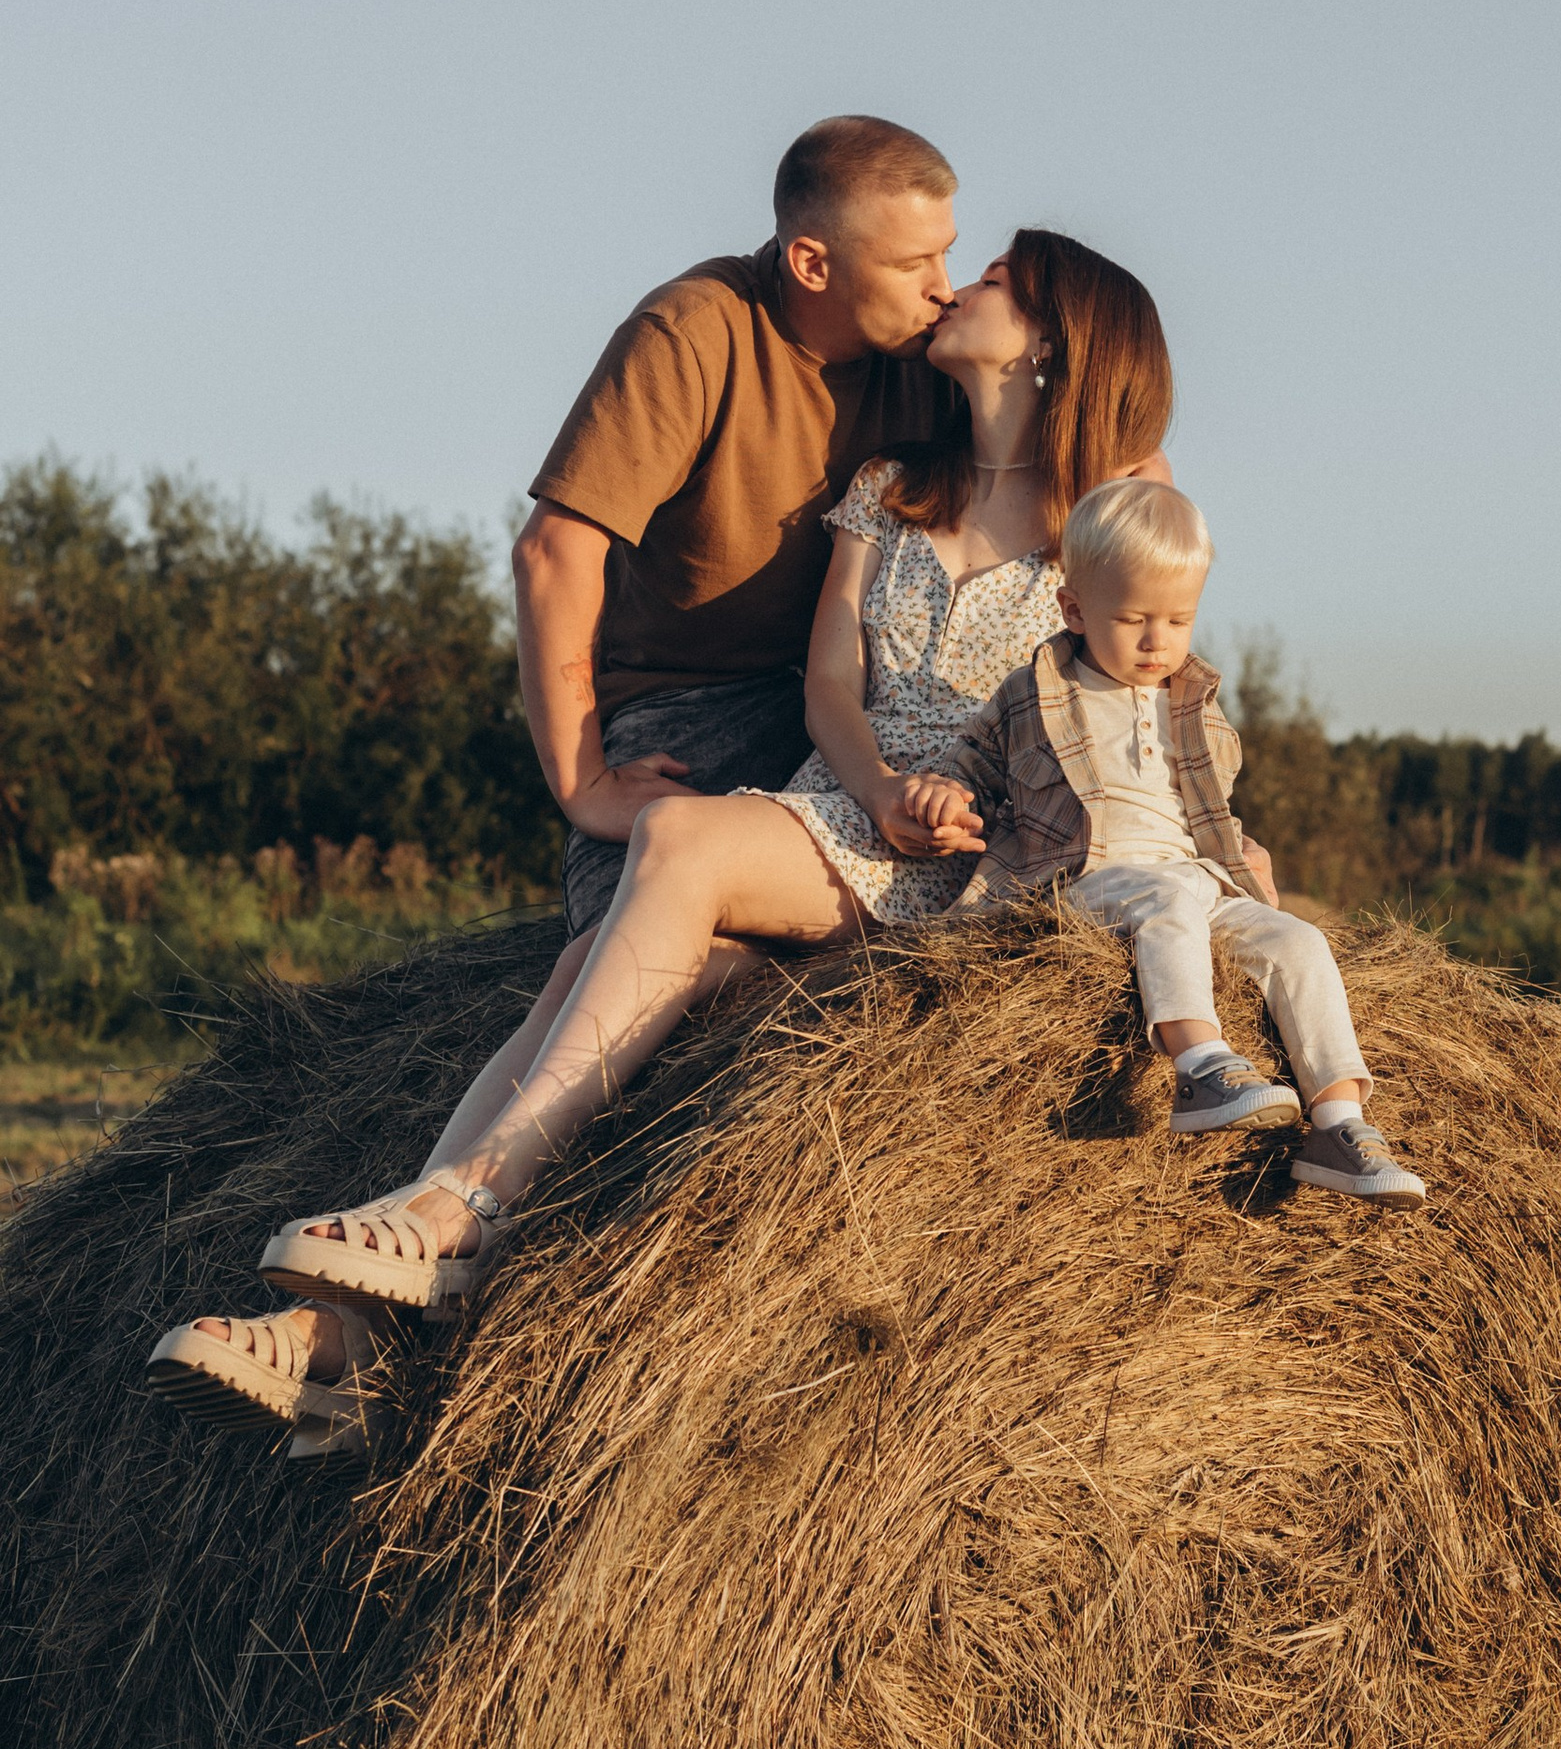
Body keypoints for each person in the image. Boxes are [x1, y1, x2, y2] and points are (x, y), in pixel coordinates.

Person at [147, 229, 1173, 1454]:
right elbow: (829, 691)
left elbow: (1155, 683)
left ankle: (467, 1201)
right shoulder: (892, 486)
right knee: (597, 970)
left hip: (977, 866)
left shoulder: (1111, 518)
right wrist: (877, 784)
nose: (961, 281)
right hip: (844, 810)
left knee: (681, 841)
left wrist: (1207, 857)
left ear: (1054, 343)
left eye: (996, 275)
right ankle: (348, 1345)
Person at [521, 110, 962, 939]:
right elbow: (552, 554)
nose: (945, 284)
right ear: (812, 262)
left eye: (946, 251)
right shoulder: (692, 332)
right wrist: (584, 785)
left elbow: (1111, 466)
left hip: (867, 710)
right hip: (694, 711)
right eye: (914, 262)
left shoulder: (938, 355)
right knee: (633, 957)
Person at [937, 479, 1426, 1204]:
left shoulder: (1192, 701)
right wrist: (941, 794)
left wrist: (1245, 854)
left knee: (1300, 942)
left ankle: (1339, 1122)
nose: (1156, 640)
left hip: (1197, 876)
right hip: (1089, 874)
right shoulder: (1035, 691)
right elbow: (972, 761)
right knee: (1166, 899)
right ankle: (1200, 1064)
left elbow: (1206, 805)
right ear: (1074, 609)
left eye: (1178, 620)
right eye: (1133, 618)